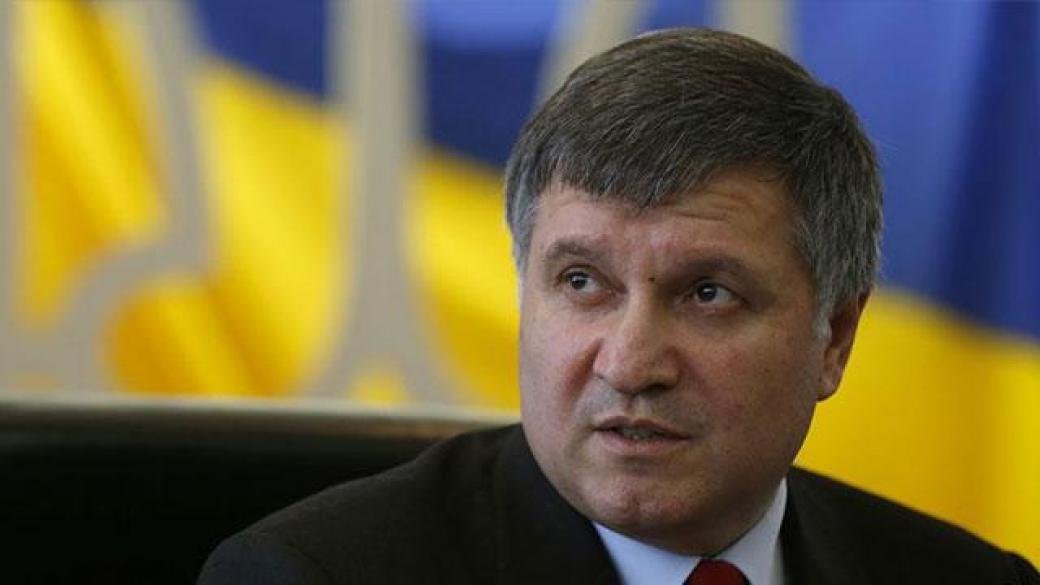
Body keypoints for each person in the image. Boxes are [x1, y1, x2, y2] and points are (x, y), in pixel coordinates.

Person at [199, 28, 1038, 584]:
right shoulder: (312, 578)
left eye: (707, 294)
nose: (631, 363)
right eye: (581, 283)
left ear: (835, 338)